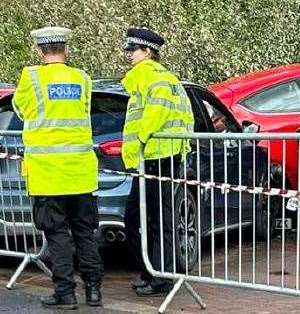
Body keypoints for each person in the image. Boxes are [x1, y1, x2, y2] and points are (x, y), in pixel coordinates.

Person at [12, 26, 103, 309]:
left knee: (57, 235)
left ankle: (65, 293)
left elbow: (21, 109)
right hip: (81, 172)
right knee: (84, 233)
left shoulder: (32, 77)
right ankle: (93, 291)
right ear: (66, 50)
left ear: (40, 51)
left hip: (48, 174)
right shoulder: (83, 78)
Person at [120, 27, 194, 296]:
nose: (128, 55)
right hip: (162, 156)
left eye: (133, 50)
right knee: (147, 218)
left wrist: (138, 142)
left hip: (155, 156)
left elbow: (156, 113)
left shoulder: (149, 75)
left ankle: (160, 276)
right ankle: (153, 271)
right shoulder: (167, 78)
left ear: (147, 52)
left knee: (147, 219)